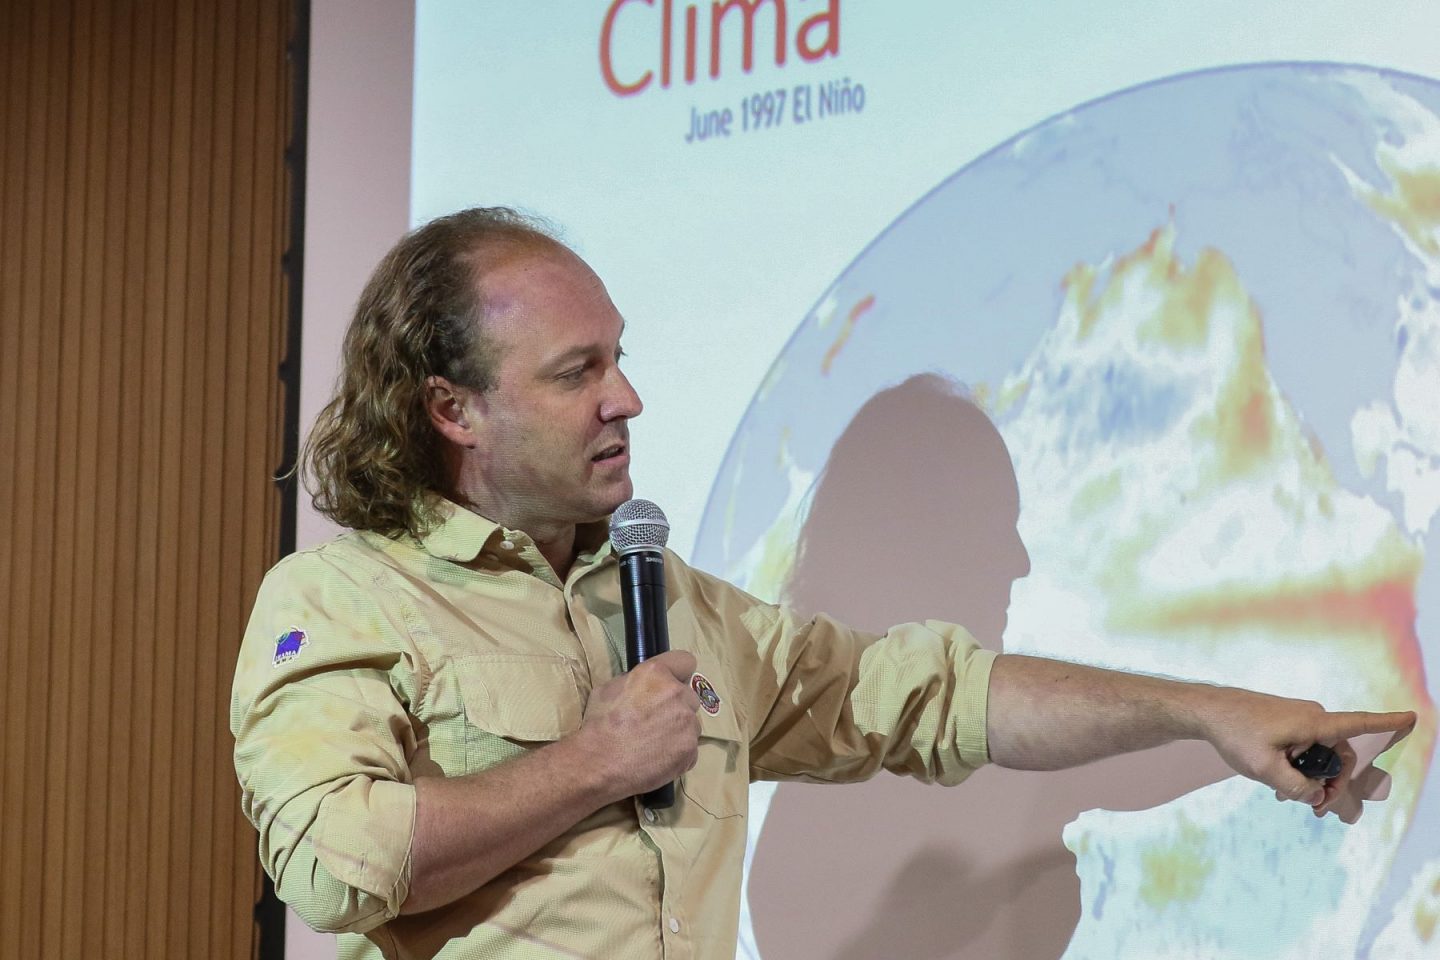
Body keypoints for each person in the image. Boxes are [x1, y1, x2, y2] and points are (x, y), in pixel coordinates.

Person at [230, 207, 1415, 960]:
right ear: (453, 409)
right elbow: (338, 864)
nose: (625, 398)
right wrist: (596, 762)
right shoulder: (340, 600)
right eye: (575, 372)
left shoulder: (678, 603)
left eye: (623, 357)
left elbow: (940, 698)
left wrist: (1214, 714)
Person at [749, 374, 1232, 959]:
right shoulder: (912, 779)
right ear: (925, 538)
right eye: (996, 523)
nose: (1020, 561)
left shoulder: (805, 809)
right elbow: (1129, 758)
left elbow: (1135, 757)